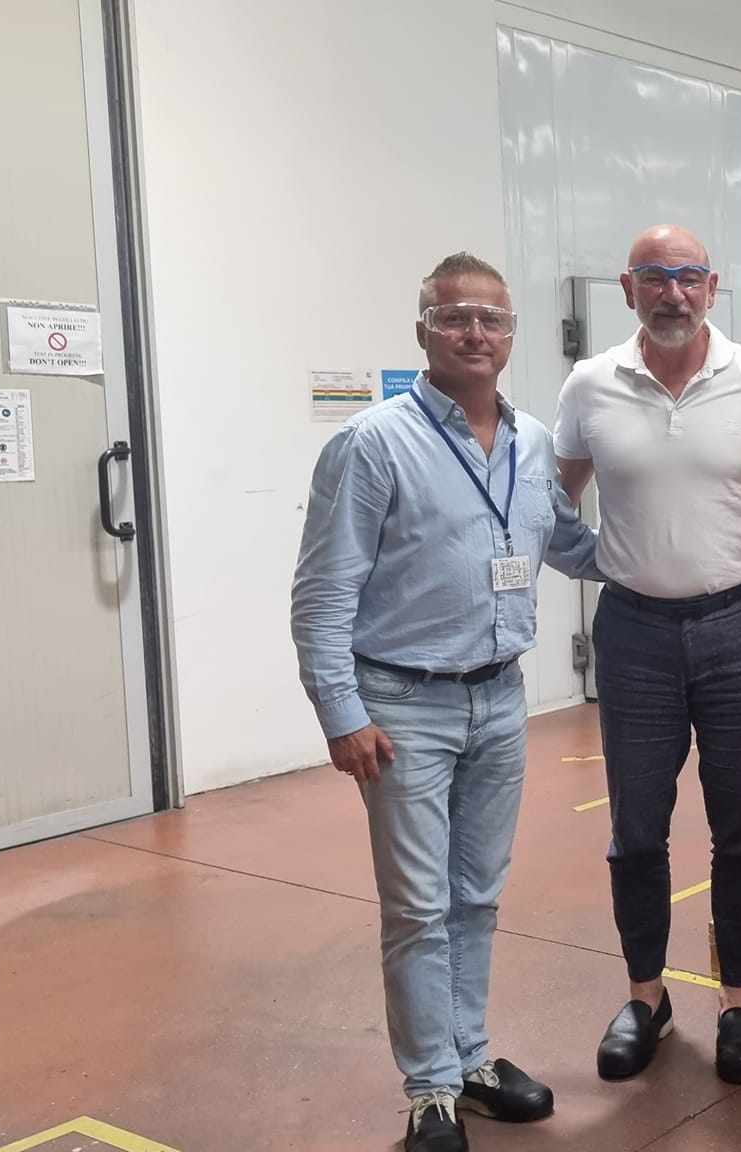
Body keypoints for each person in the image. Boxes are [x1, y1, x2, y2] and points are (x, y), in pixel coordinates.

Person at [291, 252, 603, 1152]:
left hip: (499, 701)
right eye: (455, 317)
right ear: (423, 331)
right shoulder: (372, 444)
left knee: (476, 896)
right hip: (403, 707)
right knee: (418, 906)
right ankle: (430, 1086)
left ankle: (469, 1058)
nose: (475, 333)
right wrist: (342, 713)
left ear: (512, 335)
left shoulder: (532, 442)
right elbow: (321, 595)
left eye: (491, 319)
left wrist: (691, 551)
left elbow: (572, 547)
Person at [552, 224, 741, 1085]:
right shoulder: (591, 385)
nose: (673, 293)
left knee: (740, 828)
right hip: (634, 636)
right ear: (628, 289)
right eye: (655, 277)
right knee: (636, 831)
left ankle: (738, 1002)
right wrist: (606, 562)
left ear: (712, 287)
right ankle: (646, 999)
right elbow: (553, 500)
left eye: (688, 277)